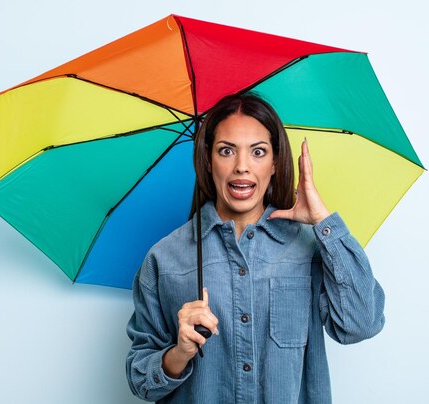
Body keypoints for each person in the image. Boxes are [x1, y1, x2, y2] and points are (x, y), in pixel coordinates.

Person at [126, 93, 385, 403]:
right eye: (226, 151)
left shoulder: (310, 248)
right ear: (208, 161)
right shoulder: (165, 258)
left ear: (275, 162)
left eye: (258, 152)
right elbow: (141, 380)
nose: (242, 167)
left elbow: (361, 325)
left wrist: (322, 220)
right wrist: (180, 352)